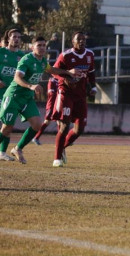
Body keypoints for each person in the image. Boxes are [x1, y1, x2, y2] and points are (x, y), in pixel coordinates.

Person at [0, 36, 79, 165]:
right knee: (7, 128)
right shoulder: (26, 60)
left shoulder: (42, 61)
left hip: (27, 98)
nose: (42, 48)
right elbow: (17, 78)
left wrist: (68, 72)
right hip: (14, 96)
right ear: (32, 47)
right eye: (39, 45)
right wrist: (31, 86)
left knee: (37, 125)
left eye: (44, 45)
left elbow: (52, 70)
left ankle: (17, 148)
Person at [50, 32, 96, 167]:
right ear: (73, 41)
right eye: (78, 39)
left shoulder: (90, 55)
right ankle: (57, 158)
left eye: (83, 39)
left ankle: (62, 147)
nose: (81, 42)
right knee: (64, 125)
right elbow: (54, 71)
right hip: (66, 93)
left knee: (79, 129)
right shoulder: (66, 55)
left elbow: (91, 72)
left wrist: (93, 87)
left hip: (81, 95)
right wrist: (65, 77)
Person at [0, 29, 26, 161]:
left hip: (11, 95)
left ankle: (2, 152)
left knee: (8, 124)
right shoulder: (1, 52)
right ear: (8, 39)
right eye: (14, 37)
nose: (16, 39)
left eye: (18, 37)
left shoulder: (22, 56)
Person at [30, 77, 58, 147]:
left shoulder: (60, 78)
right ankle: (36, 137)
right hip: (52, 104)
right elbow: (51, 93)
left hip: (58, 103)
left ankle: (62, 140)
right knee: (47, 121)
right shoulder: (52, 80)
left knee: (60, 120)